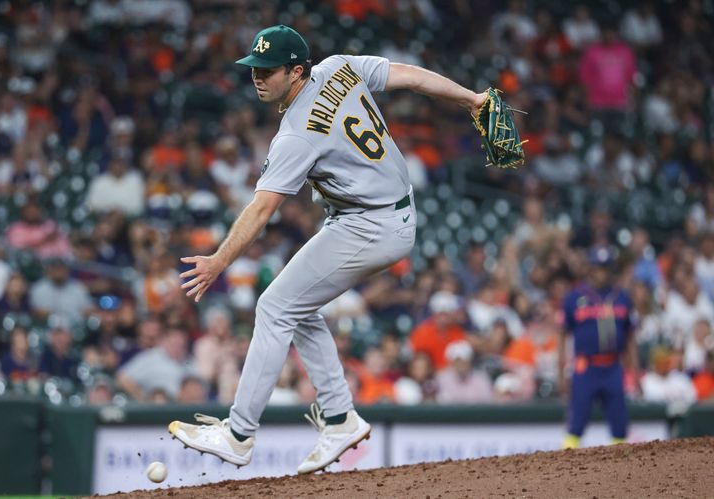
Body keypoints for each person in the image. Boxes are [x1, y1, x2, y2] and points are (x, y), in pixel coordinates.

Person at [168, 24, 487, 473]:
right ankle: (340, 419)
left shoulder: (297, 133)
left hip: (371, 224)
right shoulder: (339, 67)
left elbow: (262, 210)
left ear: (296, 71)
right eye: (254, 68)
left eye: (269, 69)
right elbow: (412, 76)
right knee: (295, 306)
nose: (257, 77)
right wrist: (472, 98)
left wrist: (220, 260)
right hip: (385, 211)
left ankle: (239, 434)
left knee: (274, 307)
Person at [559, 247, 638, 449]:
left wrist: (635, 371)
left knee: (619, 426)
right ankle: (562, 471)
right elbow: (561, 337)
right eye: (597, 267)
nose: (601, 272)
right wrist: (561, 373)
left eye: (605, 268)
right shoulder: (574, 298)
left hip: (613, 366)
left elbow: (630, 337)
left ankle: (623, 473)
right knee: (576, 424)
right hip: (586, 367)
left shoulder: (621, 297)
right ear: (590, 269)